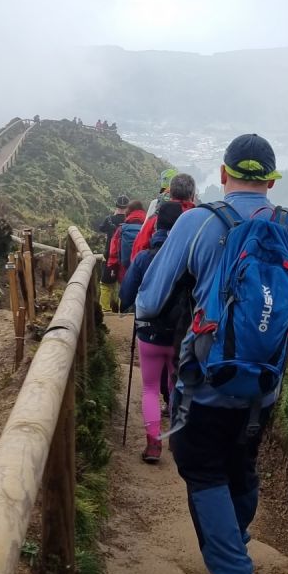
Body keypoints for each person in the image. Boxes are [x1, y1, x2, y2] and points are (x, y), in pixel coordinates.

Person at [135, 133, 288, 574]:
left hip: (204, 381)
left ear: (224, 174)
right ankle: (233, 541)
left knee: (201, 466)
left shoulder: (196, 222)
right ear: (271, 181)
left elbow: (147, 301)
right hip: (264, 386)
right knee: (241, 462)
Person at [120, 201, 184, 463]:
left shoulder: (143, 258)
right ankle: (176, 441)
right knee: (175, 384)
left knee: (149, 388)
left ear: (156, 226)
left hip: (149, 334)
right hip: (179, 335)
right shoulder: (187, 260)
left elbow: (125, 296)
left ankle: (153, 445)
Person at [131, 173, 196, 260]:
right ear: (193, 196)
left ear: (171, 194)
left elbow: (137, 251)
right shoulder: (200, 221)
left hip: (156, 266)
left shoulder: (154, 220)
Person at [97, 195, 129, 312]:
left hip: (110, 256)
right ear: (127, 207)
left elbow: (101, 228)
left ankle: (105, 310)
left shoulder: (109, 219)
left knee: (106, 284)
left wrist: (113, 216)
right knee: (123, 285)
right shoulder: (129, 221)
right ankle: (122, 311)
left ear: (116, 206)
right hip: (125, 257)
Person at [107, 200, 146, 287]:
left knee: (125, 291)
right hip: (143, 271)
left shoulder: (121, 229)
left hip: (124, 270)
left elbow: (113, 251)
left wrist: (113, 267)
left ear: (128, 212)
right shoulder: (148, 227)